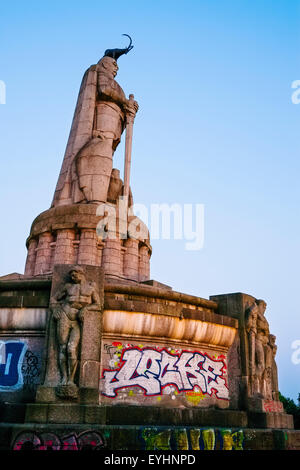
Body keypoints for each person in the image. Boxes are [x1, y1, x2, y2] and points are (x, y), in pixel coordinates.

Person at [52, 267, 100, 389]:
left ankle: (71, 379)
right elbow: (53, 299)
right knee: (62, 348)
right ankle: (64, 377)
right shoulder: (67, 287)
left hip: (78, 321)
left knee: (71, 349)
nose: (73, 276)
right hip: (65, 315)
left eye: (75, 274)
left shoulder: (91, 287)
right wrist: (55, 308)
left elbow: (98, 304)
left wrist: (86, 309)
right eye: (71, 275)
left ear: (82, 274)